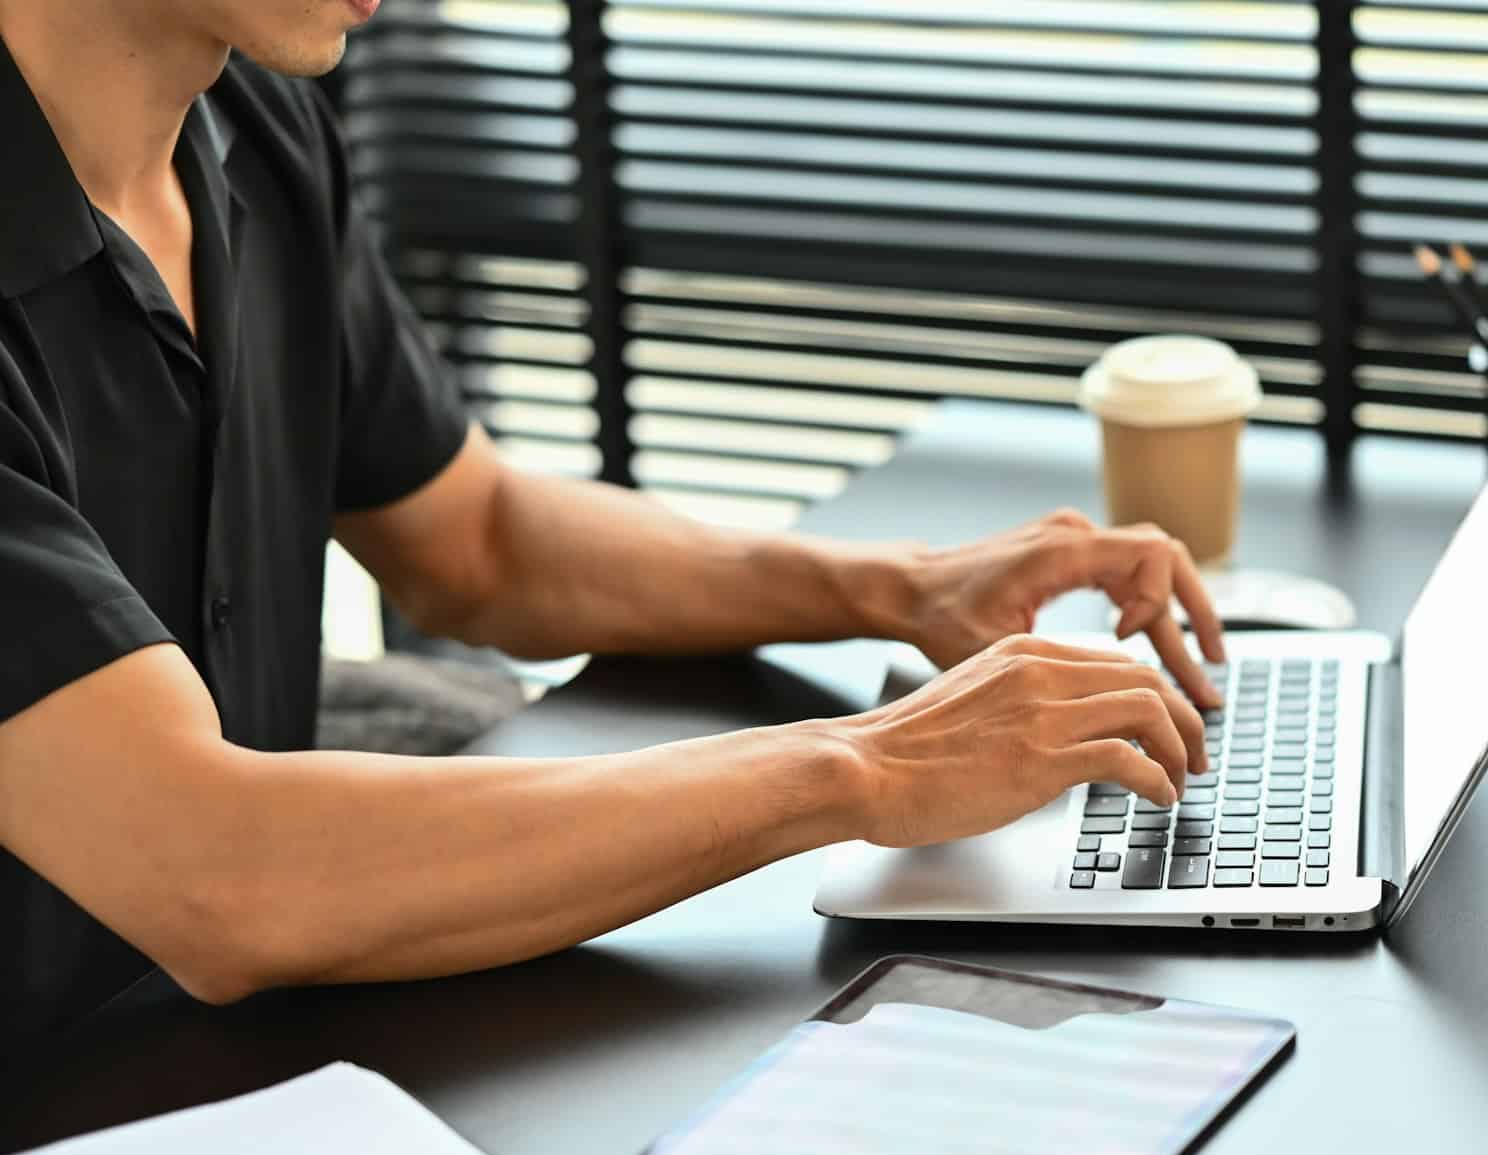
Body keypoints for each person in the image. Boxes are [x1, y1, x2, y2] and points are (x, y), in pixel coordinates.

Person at [0, 0, 1225, 1053]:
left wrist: (901, 586)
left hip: (242, 1058)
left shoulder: (254, 128)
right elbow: (225, 876)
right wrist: (872, 764)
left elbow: (475, 541)